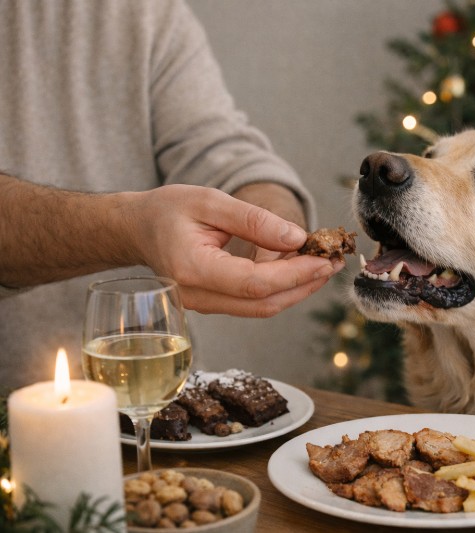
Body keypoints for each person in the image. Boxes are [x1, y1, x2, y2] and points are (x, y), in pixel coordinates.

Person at [0, 0, 343, 389]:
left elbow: (216, 146)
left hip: (156, 396)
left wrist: (270, 216)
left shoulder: (143, 11)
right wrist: (128, 230)